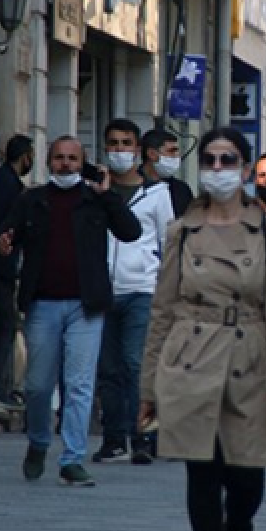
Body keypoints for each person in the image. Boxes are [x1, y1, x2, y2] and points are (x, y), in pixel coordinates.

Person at [138, 127, 266, 531]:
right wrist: (148, 386)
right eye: (209, 160)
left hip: (250, 356)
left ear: (245, 170)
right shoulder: (181, 231)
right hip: (191, 355)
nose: (218, 170)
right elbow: (162, 309)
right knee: (202, 470)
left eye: (228, 161)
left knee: (247, 475)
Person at [0, 136, 140, 486]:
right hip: (42, 304)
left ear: (83, 162)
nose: (66, 164)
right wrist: (3, 241)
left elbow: (131, 231)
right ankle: (39, 442)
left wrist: (108, 195)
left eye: (73, 159)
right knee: (38, 386)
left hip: (85, 306)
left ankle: (72, 459)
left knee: (79, 385)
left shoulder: (96, 200)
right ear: (48, 162)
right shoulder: (32, 200)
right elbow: (2, 233)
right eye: (59, 158)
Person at [93, 119, 174, 465]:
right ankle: (113, 438)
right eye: (113, 143)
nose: (120, 150)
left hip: (142, 289)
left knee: (135, 363)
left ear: (138, 151)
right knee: (107, 368)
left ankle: (143, 436)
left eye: (126, 144)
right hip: (101, 290)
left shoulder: (158, 194)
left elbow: (168, 242)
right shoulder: (95, 192)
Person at [0, 134, 34, 405]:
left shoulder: (8, 182)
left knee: (5, 325)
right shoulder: (6, 183)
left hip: (3, 265)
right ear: (25, 155)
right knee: (4, 324)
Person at [141, 127, 194, 217]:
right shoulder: (132, 185)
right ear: (151, 154)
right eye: (171, 151)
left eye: (177, 151)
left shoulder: (182, 190)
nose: (177, 156)